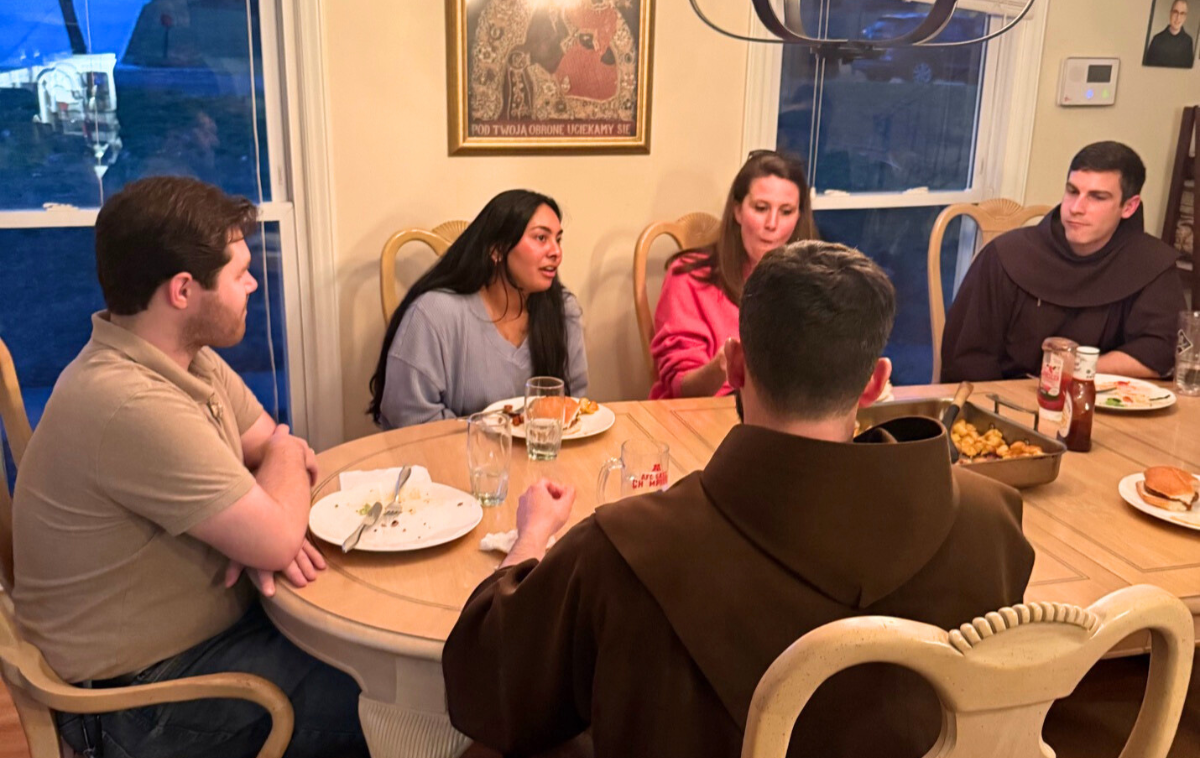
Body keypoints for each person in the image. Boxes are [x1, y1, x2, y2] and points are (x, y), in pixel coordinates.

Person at [443, 242, 1034, 758]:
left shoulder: (625, 549)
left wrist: (530, 539)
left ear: (734, 364)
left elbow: (490, 690)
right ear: (876, 383)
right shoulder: (994, 523)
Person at [11, 176, 367, 758]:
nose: (253, 282)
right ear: (182, 290)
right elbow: (279, 522)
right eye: (238, 273)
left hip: (201, 645)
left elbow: (269, 448)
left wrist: (264, 495)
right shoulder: (129, 401)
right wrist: (271, 494)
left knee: (378, 667)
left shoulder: (183, 358)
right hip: (138, 699)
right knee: (399, 707)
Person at [941, 141, 1185, 382]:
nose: (1076, 208)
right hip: (1008, 405)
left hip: (1109, 409)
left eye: (1097, 197)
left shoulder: (1152, 265)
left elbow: (1163, 350)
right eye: (1072, 191)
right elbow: (965, 359)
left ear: (1129, 207)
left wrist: (1076, 368)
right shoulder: (1007, 256)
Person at [368, 189, 589, 429]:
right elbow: (409, 416)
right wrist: (494, 446)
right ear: (496, 250)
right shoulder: (434, 313)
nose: (556, 252)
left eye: (558, 239)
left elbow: (573, 401)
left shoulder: (563, 311)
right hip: (448, 461)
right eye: (540, 238)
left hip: (541, 460)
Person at [649, 150, 817, 399]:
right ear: (738, 211)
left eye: (786, 211)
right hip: (699, 419)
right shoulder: (688, 278)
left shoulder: (812, 281)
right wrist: (721, 366)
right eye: (761, 208)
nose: (772, 224)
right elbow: (682, 389)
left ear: (799, 217)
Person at [1144, 0, 1195, 68]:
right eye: (1175, 12)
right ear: (1170, 13)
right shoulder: (1157, 40)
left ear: (1185, 17)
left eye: (1182, 13)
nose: (1178, 18)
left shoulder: (1188, 42)